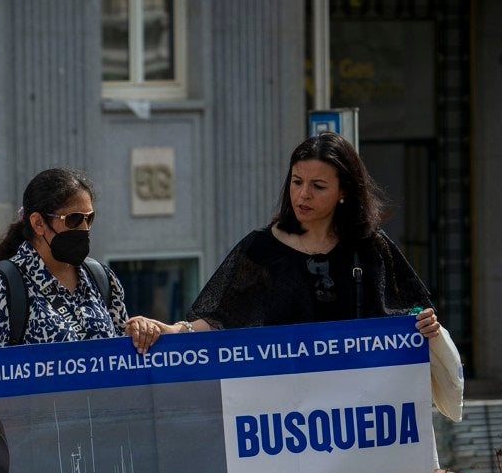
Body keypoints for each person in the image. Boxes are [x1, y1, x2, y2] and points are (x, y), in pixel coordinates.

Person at [182, 131, 440, 339]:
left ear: (344, 191)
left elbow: (409, 311)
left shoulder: (370, 246)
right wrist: (173, 332)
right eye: (296, 182)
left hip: (359, 397)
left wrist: (425, 323)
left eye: (318, 186)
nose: (303, 194)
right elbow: (219, 319)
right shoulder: (261, 249)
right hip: (284, 396)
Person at [0, 168, 168, 350]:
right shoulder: (0, 286)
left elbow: (121, 356)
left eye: (89, 219)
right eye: (74, 219)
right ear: (38, 223)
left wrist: (139, 330)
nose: (84, 228)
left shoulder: (101, 279)